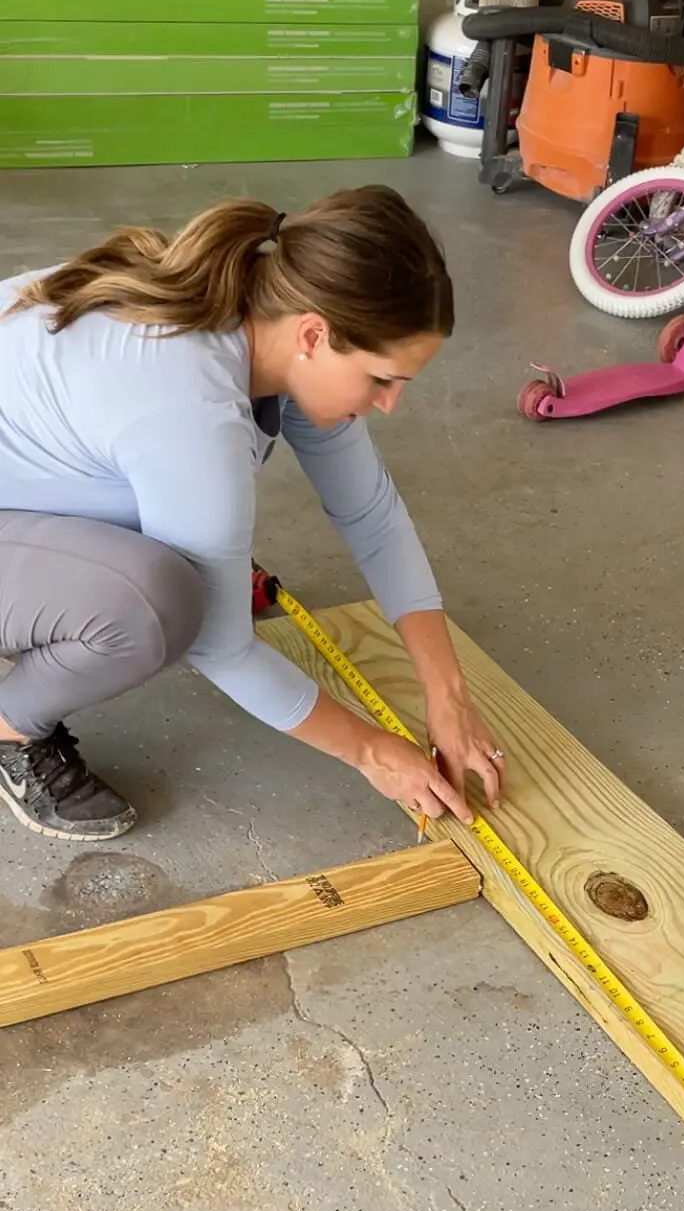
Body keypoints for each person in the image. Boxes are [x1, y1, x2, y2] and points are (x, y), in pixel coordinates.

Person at [0, 185, 506, 842]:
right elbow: (221, 645)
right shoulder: (190, 404)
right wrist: (373, 751)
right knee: (160, 604)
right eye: (382, 379)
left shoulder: (262, 324)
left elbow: (370, 514)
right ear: (315, 334)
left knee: (198, 552)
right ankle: (11, 727)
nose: (390, 406)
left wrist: (449, 697)